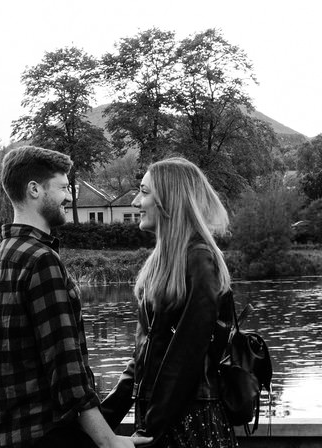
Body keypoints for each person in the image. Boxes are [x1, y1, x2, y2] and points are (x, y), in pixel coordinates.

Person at [0, 145, 137, 448]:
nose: (69, 197)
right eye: (63, 188)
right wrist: (108, 441)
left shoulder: (1, 256)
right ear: (34, 190)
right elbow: (66, 369)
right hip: (49, 435)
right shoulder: (41, 259)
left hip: (12, 435)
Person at [100, 157, 236, 448]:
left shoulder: (200, 259)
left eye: (144, 192)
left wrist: (152, 427)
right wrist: (99, 424)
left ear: (170, 200)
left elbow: (188, 353)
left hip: (190, 424)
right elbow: (143, 358)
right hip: (161, 421)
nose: (135, 202)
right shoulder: (159, 264)